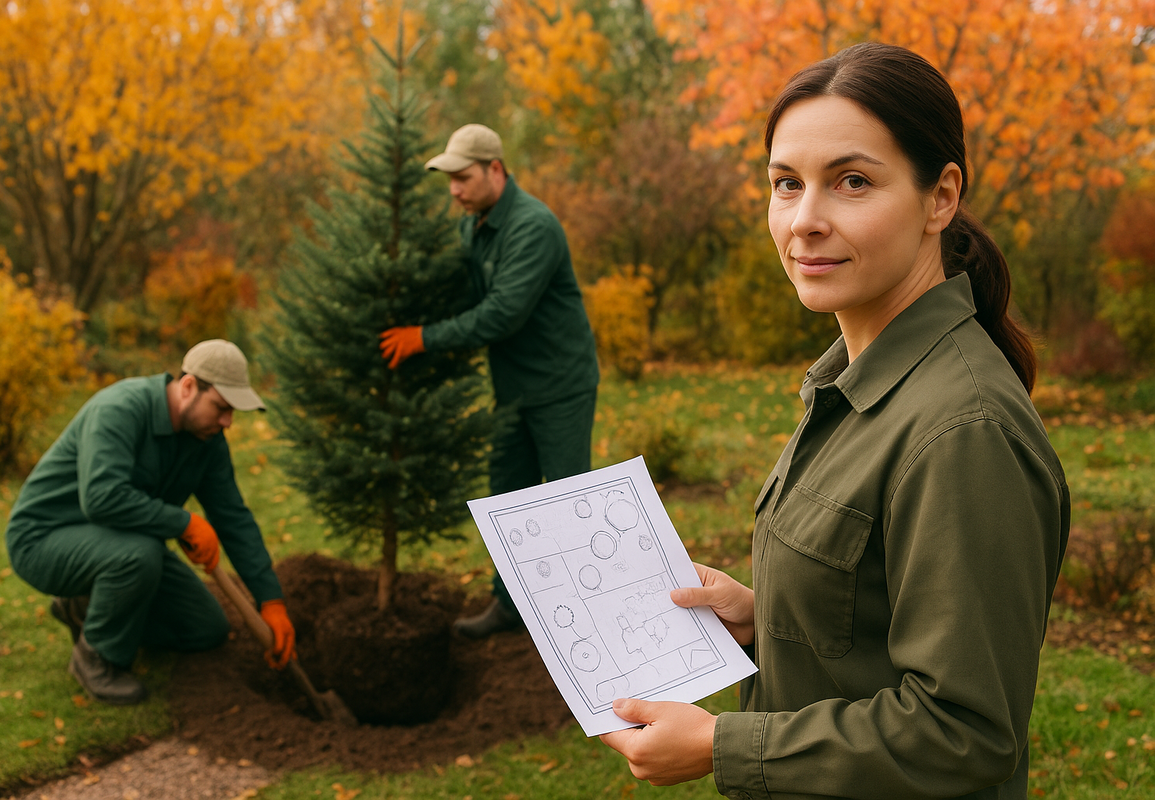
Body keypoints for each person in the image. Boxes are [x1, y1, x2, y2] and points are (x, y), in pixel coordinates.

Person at [600, 42, 1070, 799]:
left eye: (852, 182)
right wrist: (764, 619)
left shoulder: (963, 431)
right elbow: (879, 609)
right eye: (786, 184)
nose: (806, 220)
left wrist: (726, 744)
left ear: (940, 197)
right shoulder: (851, 381)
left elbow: (966, 731)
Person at [379, 123, 600, 638]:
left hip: (560, 384)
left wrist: (423, 338)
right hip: (512, 388)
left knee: (567, 500)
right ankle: (511, 606)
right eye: (449, 180)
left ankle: (589, 613)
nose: (454, 189)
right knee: (508, 496)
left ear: (495, 170)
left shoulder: (532, 226)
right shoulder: (472, 226)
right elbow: (463, 294)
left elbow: (502, 313)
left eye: (463, 177)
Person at [6, 339, 297, 705]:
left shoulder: (207, 442)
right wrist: (183, 523)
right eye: (221, 408)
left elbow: (233, 517)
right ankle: (97, 657)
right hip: (44, 539)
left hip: (117, 544)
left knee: (207, 628)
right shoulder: (121, 409)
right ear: (189, 387)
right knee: (139, 555)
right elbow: (101, 498)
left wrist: (271, 599)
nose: (228, 422)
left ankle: (84, 605)